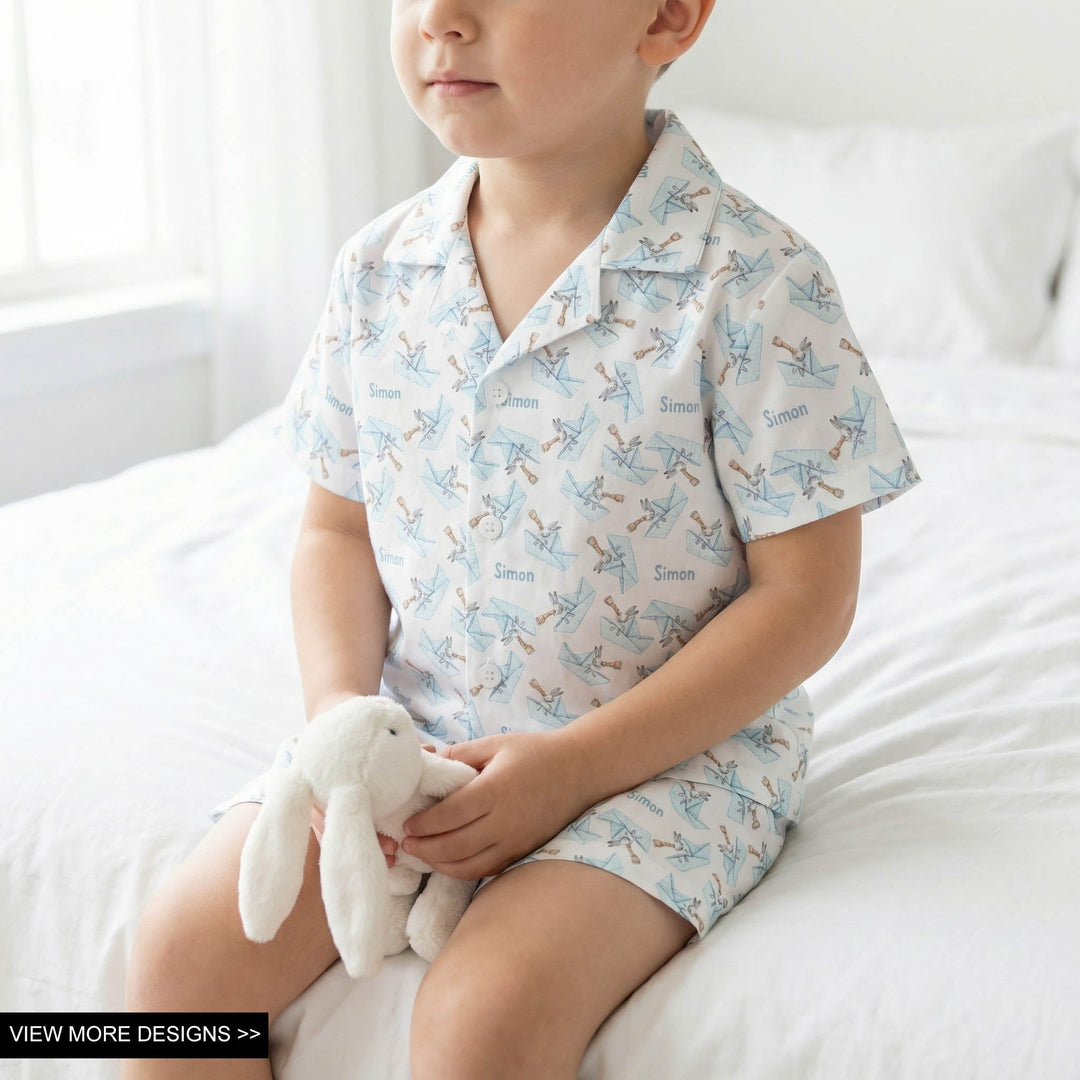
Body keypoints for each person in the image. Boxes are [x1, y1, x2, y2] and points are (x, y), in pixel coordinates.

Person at [123, 1, 922, 1078]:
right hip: (408, 741)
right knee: (179, 959)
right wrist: (338, 718)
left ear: (667, 16)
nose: (442, 19)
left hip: (659, 764)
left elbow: (807, 598)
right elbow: (337, 532)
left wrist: (573, 770)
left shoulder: (756, 284)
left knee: (482, 1019)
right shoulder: (378, 270)